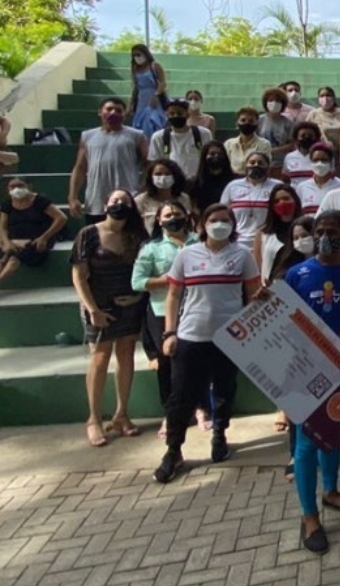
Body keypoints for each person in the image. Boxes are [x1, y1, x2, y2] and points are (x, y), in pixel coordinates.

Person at [285, 210, 340, 552]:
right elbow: (279, 317)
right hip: (305, 369)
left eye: (331, 231)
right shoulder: (297, 274)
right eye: (319, 231)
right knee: (307, 443)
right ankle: (309, 516)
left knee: (334, 431)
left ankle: (331, 491)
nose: (324, 237)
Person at [155, 203, 262, 482]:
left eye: (225, 220)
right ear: (202, 224)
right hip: (191, 336)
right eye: (214, 220)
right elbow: (173, 296)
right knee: (181, 395)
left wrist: (250, 328)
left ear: (233, 225)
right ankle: (173, 451)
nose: (219, 224)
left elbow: (253, 292)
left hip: (229, 337)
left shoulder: (242, 254)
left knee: (224, 389)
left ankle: (219, 436)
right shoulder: (187, 254)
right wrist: (169, 333)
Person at [71, 189, 147, 447]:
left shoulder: (137, 236)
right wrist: (92, 309)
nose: (119, 204)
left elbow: (146, 270)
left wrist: (137, 297)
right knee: (100, 357)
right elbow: (79, 276)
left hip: (130, 304)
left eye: (125, 201)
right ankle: (94, 418)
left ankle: (121, 414)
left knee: (126, 355)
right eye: (115, 200)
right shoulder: (88, 234)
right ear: (105, 205)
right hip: (98, 305)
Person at [131, 202, 197, 433]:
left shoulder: (200, 242)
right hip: (161, 311)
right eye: (167, 215)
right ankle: (170, 413)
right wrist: (169, 280)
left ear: (187, 216)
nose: (173, 218)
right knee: (167, 363)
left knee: (197, 360)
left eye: (177, 214)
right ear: (159, 220)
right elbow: (137, 282)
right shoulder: (151, 249)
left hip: (196, 309)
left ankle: (199, 407)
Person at [68, 98, 148, 224]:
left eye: (118, 110)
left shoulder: (137, 136)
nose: (113, 113)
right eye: (109, 109)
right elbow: (80, 168)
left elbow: (149, 165)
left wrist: (142, 191)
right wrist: (72, 197)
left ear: (124, 114)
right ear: (100, 112)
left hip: (126, 199)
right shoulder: (87, 136)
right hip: (96, 201)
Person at [0, 177, 67, 286]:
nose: (16, 189)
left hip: (37, 240)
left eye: (20, 185)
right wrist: (7, 242)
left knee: (13, 260)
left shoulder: (40, 201)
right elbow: (2, 227)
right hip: (14, 240)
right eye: (12, 186)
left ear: (29, 186)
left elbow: (61, 218)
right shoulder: (7, 204)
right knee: (7, 254)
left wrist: (44, 237)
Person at [148, 98, 212, 182]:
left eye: (179, 113)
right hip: (170, 184)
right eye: (172, 113)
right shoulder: (158, 137)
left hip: (198, 183)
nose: (176, 116)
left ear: (188, 114)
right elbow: (154, 164)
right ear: (167, 115)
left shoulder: (203, 134)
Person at [220, 149, 274, 244]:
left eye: (260, 163)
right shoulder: (233, 186)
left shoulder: (276, 186)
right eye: (252, 163)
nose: (256, 165)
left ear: (268, 167)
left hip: (266, 240)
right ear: (245, 166)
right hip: (237, 241)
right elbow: (222, 212)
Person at [253, 181, 305, 282]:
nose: (282, 203)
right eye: (276, 201)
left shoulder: (308, 228)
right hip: (272, 287)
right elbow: (257, 267)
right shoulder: (263, 233)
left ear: (295, 201)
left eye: (286, 198)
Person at [135, 157, 193, 235]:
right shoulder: (140, 201)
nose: (163, 177)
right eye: (158, 174)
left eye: (167, 174)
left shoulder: (184, 198)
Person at [128, 43, 168, 135]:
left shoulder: (154, 66)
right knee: (140, 125)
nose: (137, 57)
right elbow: (136, 88)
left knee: (153, 122)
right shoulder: (135, 69)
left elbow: (163, 83)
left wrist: (156, 95)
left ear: (145, 54)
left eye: (138, 54)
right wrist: (131, 104)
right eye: (134, 55)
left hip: (154, 99)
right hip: (141, 100)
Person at [190, 139, 235, 215]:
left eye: (220, 154)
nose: (216, 156)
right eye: (212, 154)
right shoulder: (194, 183)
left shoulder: (234, 181)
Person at [296, 141, 340, 210]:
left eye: (324, 160)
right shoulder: (302, 188)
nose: (319, 163)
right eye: (316, 160)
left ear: (331, 162)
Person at [225, 107, 272, 176]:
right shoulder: (229, 144)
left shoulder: (264, 144)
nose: (247, 123)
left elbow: (264, 167)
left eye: (251, 121)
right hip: (232, 179)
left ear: (257, 124)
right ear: (237, 123)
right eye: (243, 120)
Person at [284, 121, 322, 192]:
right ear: (296, 138)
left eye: (310, 136)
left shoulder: (323, 157)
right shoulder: (289, 157)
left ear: (316, 138)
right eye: (303, 136)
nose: (307, 138)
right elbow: (286, 178)